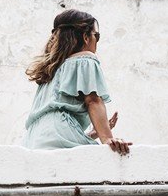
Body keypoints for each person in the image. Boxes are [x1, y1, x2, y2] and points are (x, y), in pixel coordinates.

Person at [22, 9, 132, 155]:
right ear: (86, 37)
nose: (96, 41)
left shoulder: (50, 70)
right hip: (59, 133)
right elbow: (93, 100)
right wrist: (107, 139)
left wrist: (92, 134)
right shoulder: (85, 59)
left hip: (32, 140)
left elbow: (52, 120)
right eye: (96, 36)